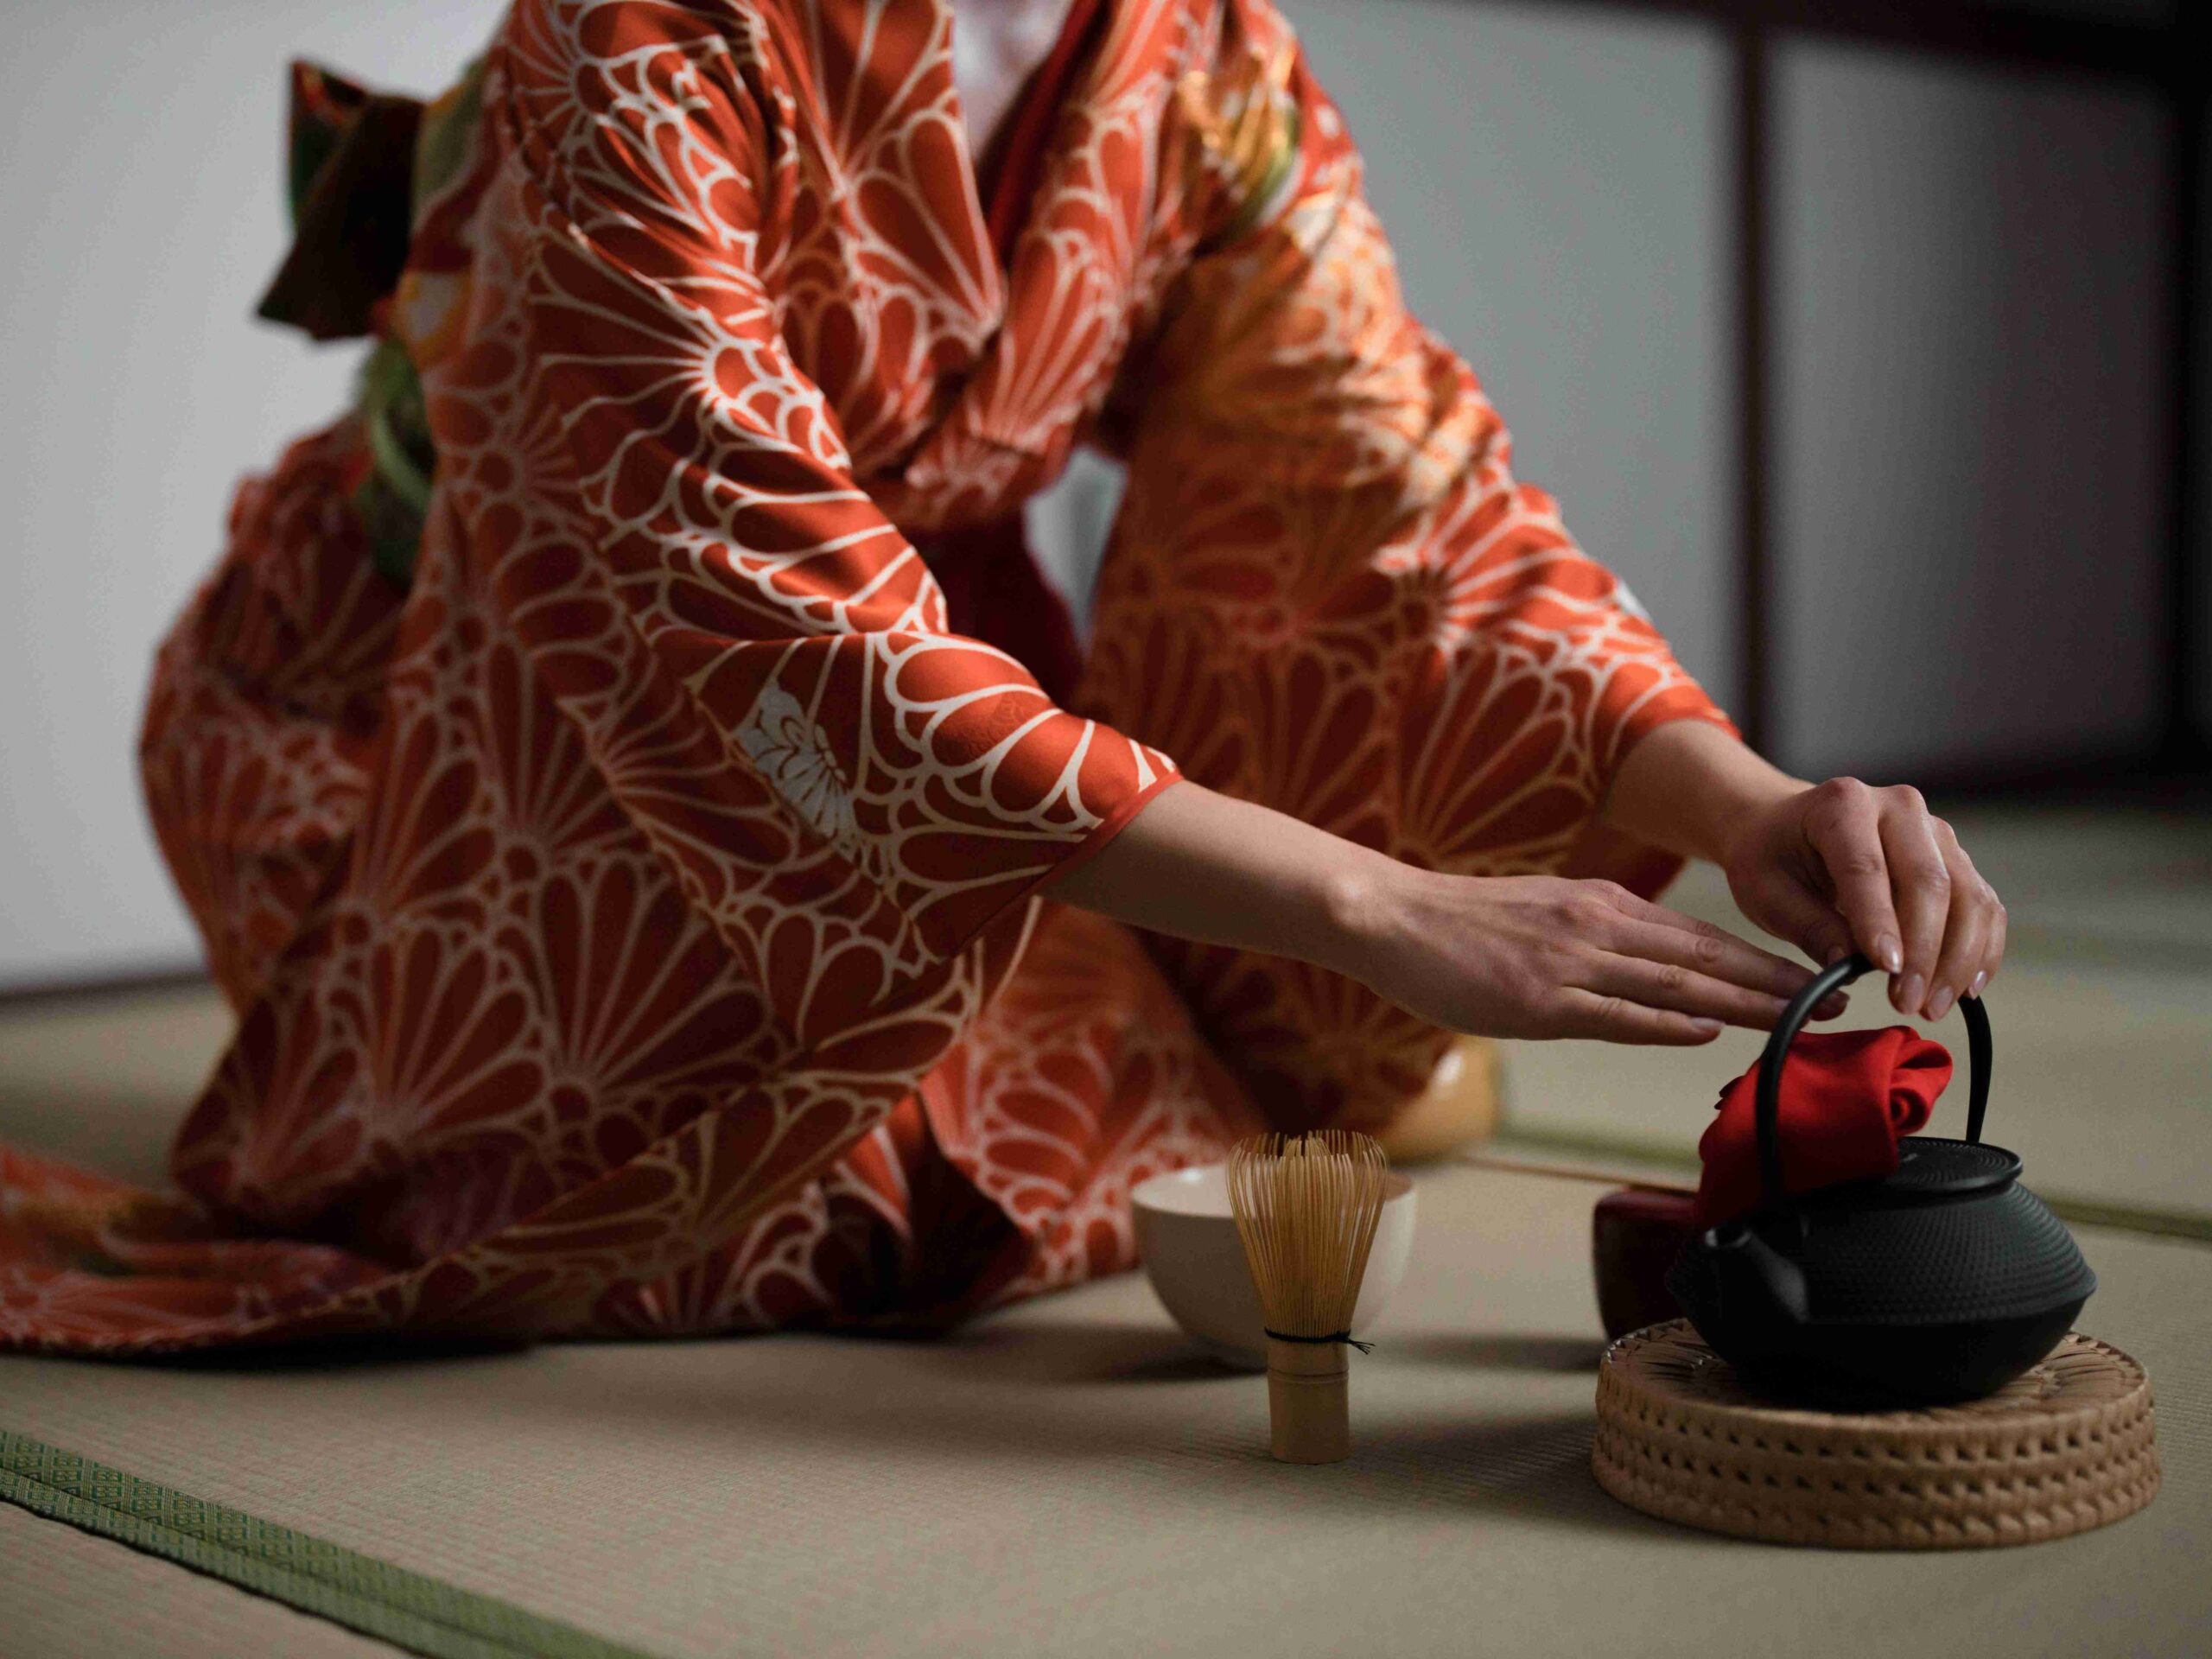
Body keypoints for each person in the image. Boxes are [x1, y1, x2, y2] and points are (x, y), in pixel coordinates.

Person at [0, 0, 2003, 1353]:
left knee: (1207, 1114)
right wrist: (1375, 902)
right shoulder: (642, 35)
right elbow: (724, 578)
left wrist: (1738, 801)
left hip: (907, 689)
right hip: (466, 707)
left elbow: (1384, 497)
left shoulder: (1195, 49)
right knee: (837, 1206)